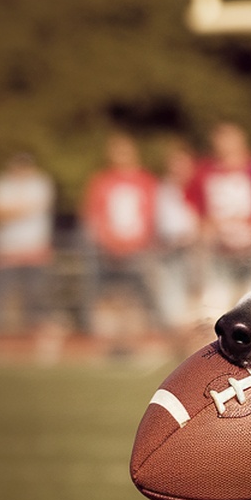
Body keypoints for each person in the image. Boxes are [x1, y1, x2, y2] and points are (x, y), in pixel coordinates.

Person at [82, 132, 159, 347]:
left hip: (138, 250)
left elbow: (152, 216)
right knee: (110, 299)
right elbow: (92, 216)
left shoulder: (147, 180)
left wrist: (143, 243)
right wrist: (103, 242)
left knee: (136, 299)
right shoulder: (101, 180)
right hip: (107, 250)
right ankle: (111, 344)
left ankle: (133, 343)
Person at [186, 122, 251, 316]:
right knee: (216, 304)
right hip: (218, 248)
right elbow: (194, 206)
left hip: (250, 245)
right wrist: (202, 229)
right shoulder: (205, 171)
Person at [0, 152, 56, 338]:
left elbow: (11, 211)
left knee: (36, 295)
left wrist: (11, 211)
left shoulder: (40, 184)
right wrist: (20, 210)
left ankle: (32, 336)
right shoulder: (0, 185)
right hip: (6, 250)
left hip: (34, 248)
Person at [153, 141, 203, 340]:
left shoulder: (198, 189)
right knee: (173, 304)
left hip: (196, 251)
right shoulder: (163, 189)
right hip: (168, 250)